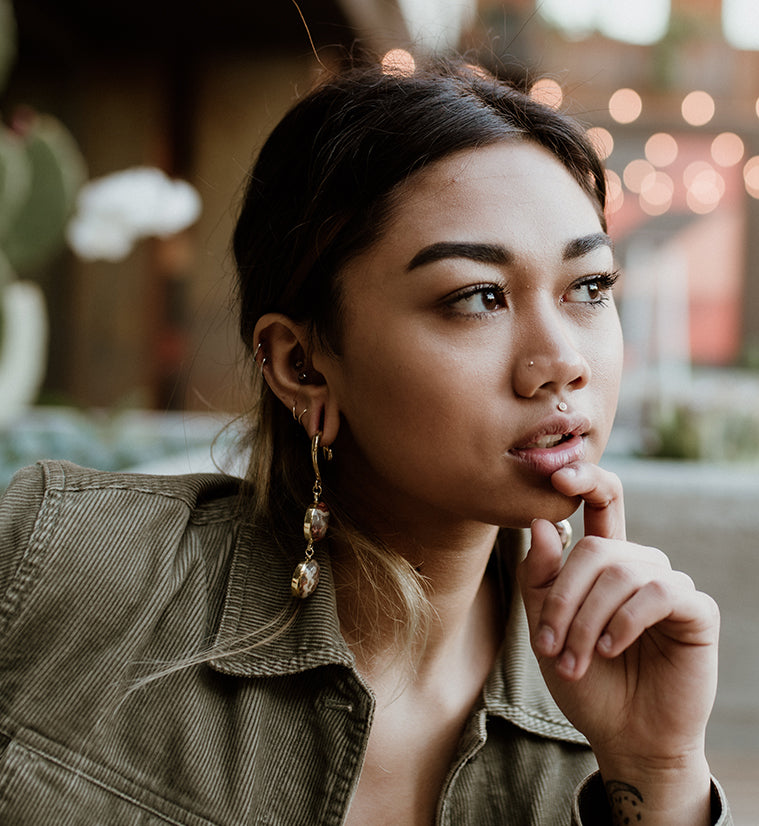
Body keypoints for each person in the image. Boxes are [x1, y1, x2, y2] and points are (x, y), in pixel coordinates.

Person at [0, 57, 730, 825]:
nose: (562, 364)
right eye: (476, 297)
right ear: (302, 363)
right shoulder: (63, 559)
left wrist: (658, 769)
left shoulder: (605, 715)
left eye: (589, 287)